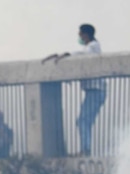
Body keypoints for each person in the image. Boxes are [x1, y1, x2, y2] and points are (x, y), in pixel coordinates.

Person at [42, 24, 106, 156]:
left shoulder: (93, 47)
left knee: (83, 120)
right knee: (83, 120)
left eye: (80, 34)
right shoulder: (91, 46)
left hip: (96, 90)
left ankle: (85, 150)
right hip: (93, 90)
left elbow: (82, 55)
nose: (79, 37)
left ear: (86, 34)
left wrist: (66, 54)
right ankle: (85, 148)